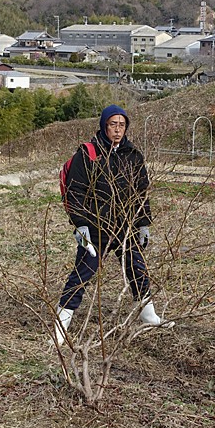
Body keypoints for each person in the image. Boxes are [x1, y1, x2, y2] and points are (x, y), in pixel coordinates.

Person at [54, 104, 172, 346]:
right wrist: (80, 225)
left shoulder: (133, 155)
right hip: (96, 227)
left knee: (137, 267)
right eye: (112, 125)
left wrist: (143, 224)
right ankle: (61, 323)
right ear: (103, 125)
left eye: (122, 125)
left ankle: (147, 313)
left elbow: (141, 193)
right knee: (83, 272)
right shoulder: (88, 154)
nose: (117, 130)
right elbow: (75, 191)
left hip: (125, 226)